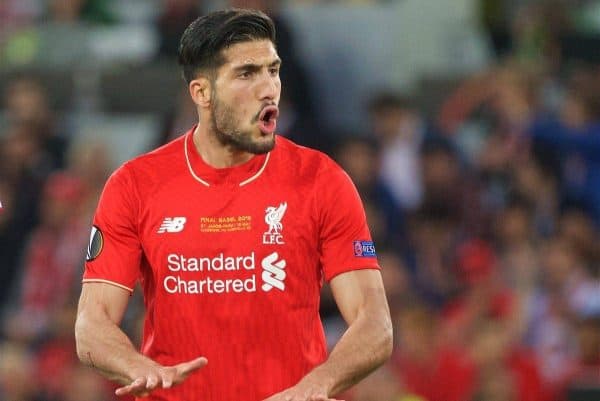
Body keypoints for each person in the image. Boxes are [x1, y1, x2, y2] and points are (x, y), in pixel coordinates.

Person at [74, 8, 392, 401]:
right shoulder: (135, 185)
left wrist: (317, 384)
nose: (269, 88)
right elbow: (91, 326)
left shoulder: (320, 181)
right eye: (247, 74)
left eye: (272, 71)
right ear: (201, 93)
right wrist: (140, 367)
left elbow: (375, 323)